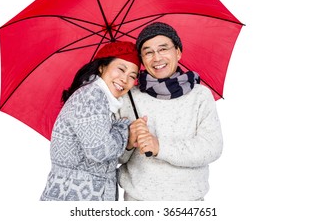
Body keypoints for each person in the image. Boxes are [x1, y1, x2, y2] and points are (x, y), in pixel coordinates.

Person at [118, 22, 223, 201]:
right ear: (142, 60)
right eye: (148, 52)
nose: (157, 58)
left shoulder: (200, 95)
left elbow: (211, 148)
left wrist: (159, 146)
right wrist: (128, 142)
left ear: (178, 52)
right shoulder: (128, 97)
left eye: (163, 49)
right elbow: (116, 158)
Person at [40, 41, 140, 201]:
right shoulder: (92, 96)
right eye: (121, 69)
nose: (124, 79)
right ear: (102, 67)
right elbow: (100, 152)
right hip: (74, 195)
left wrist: (126, 140)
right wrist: (123, 129)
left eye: (132, 76)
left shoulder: (100, 100)